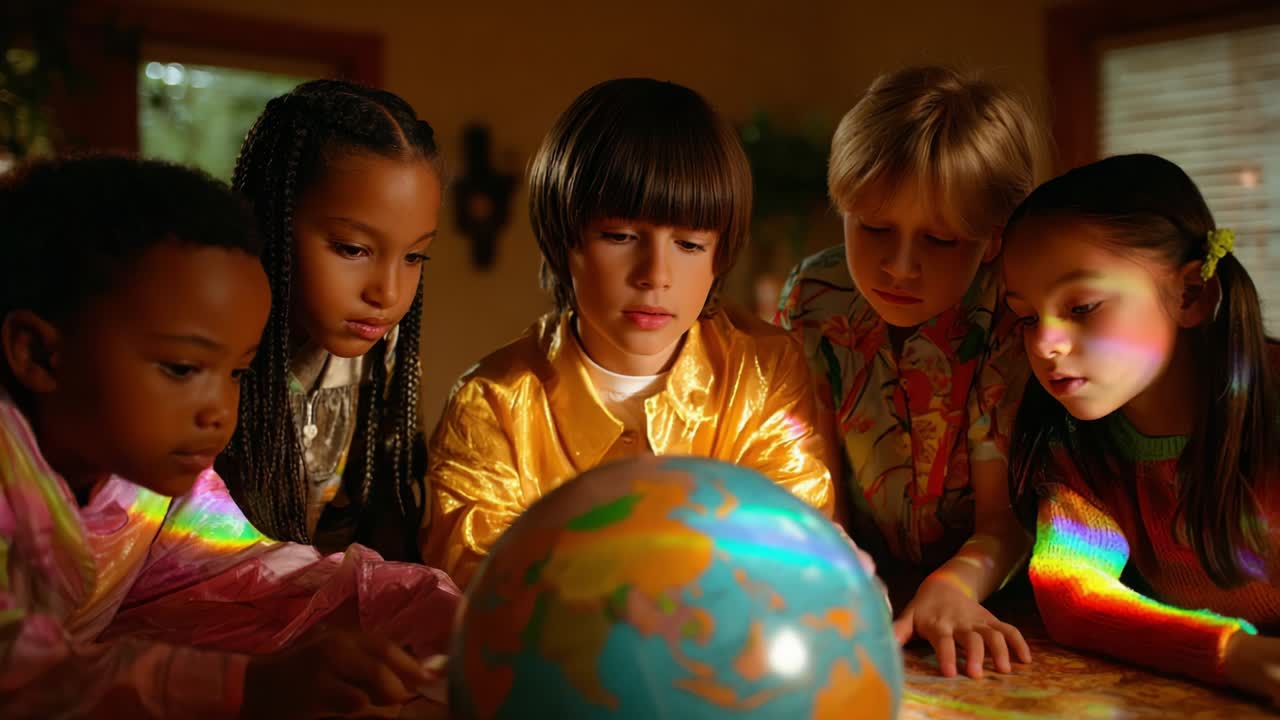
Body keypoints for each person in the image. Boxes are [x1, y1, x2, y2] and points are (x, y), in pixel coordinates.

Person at [0, 154, 457, 719]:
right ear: (39, 353)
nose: (218, 409)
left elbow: (245, 571)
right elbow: (20, 674)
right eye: (183, 369)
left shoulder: (147, 480)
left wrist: (435, 607)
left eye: (236, 373)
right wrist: (249, 686)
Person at [423, 78, 834, 588]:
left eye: (689, 244)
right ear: (562, 238)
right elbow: (480, 582)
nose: (655, 274)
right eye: (619, 236)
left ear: (721, 254)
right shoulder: (493, 405)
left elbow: (796, 542)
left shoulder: (765, 369)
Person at [777, 65, 1042, 677]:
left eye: (941, 241)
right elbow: (816, 478)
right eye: (874, 228)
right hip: (866, 596)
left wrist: (950, 588)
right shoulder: (813, 297)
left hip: (988, 605)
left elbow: (1002, 522)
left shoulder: (1010, 311)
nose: (900, 266)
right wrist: (837, 565)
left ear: (994, 238)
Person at [1004, 153, 1280, 702]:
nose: (1044, 343)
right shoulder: (1074, 452)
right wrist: (1233, 653)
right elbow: (1073, 592)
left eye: (1081, 306)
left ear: (1191, 295)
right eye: (1027, 316)